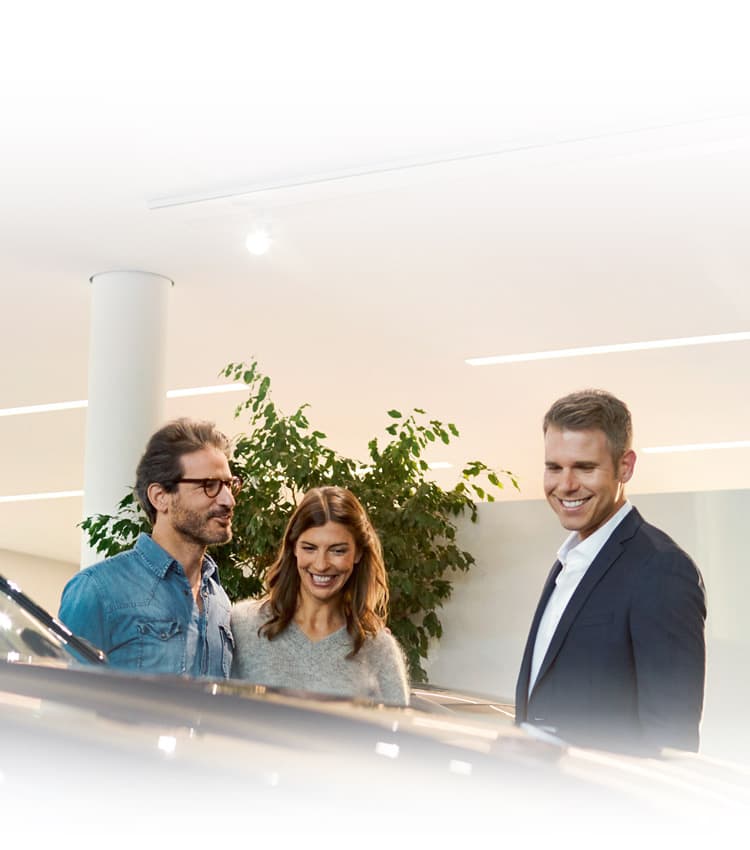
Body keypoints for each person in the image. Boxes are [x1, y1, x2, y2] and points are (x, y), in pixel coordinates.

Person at [515, 390, 706, 754]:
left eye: (585, 468)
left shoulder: (661, 569)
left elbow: (672, 740)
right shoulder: (568, 562)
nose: (565, 485)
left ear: (625, 467)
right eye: (554, 467)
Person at [59, 418, 239, 677]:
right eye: (209, 485)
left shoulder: (219, 600)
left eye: (229, 485)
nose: (228, 500)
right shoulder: (97, 589)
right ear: (160, 497)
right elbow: (62, 704)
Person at [231, 486, 410, 705]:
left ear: (358, 553)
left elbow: (394, 734)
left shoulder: (379, 650)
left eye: (338, 550)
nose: (321, 564)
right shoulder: (242, 625)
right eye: (309, 548)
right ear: (293, 549)